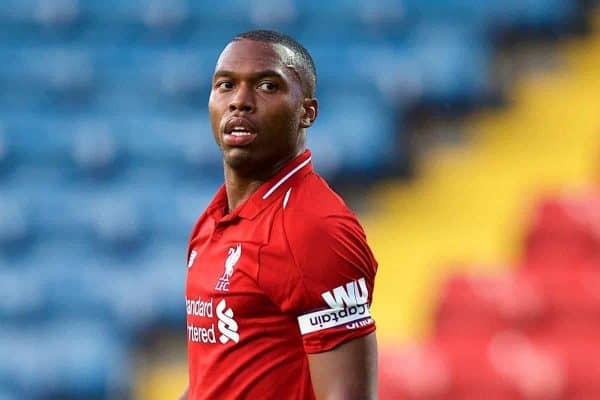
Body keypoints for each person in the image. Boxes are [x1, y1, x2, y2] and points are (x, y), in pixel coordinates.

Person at [180, 29, 378, 400]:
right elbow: (214, 375)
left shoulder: (316, 229)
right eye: (225, 85)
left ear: (307, 112)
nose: (240, 101)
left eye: (267, 86)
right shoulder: (213, 221)